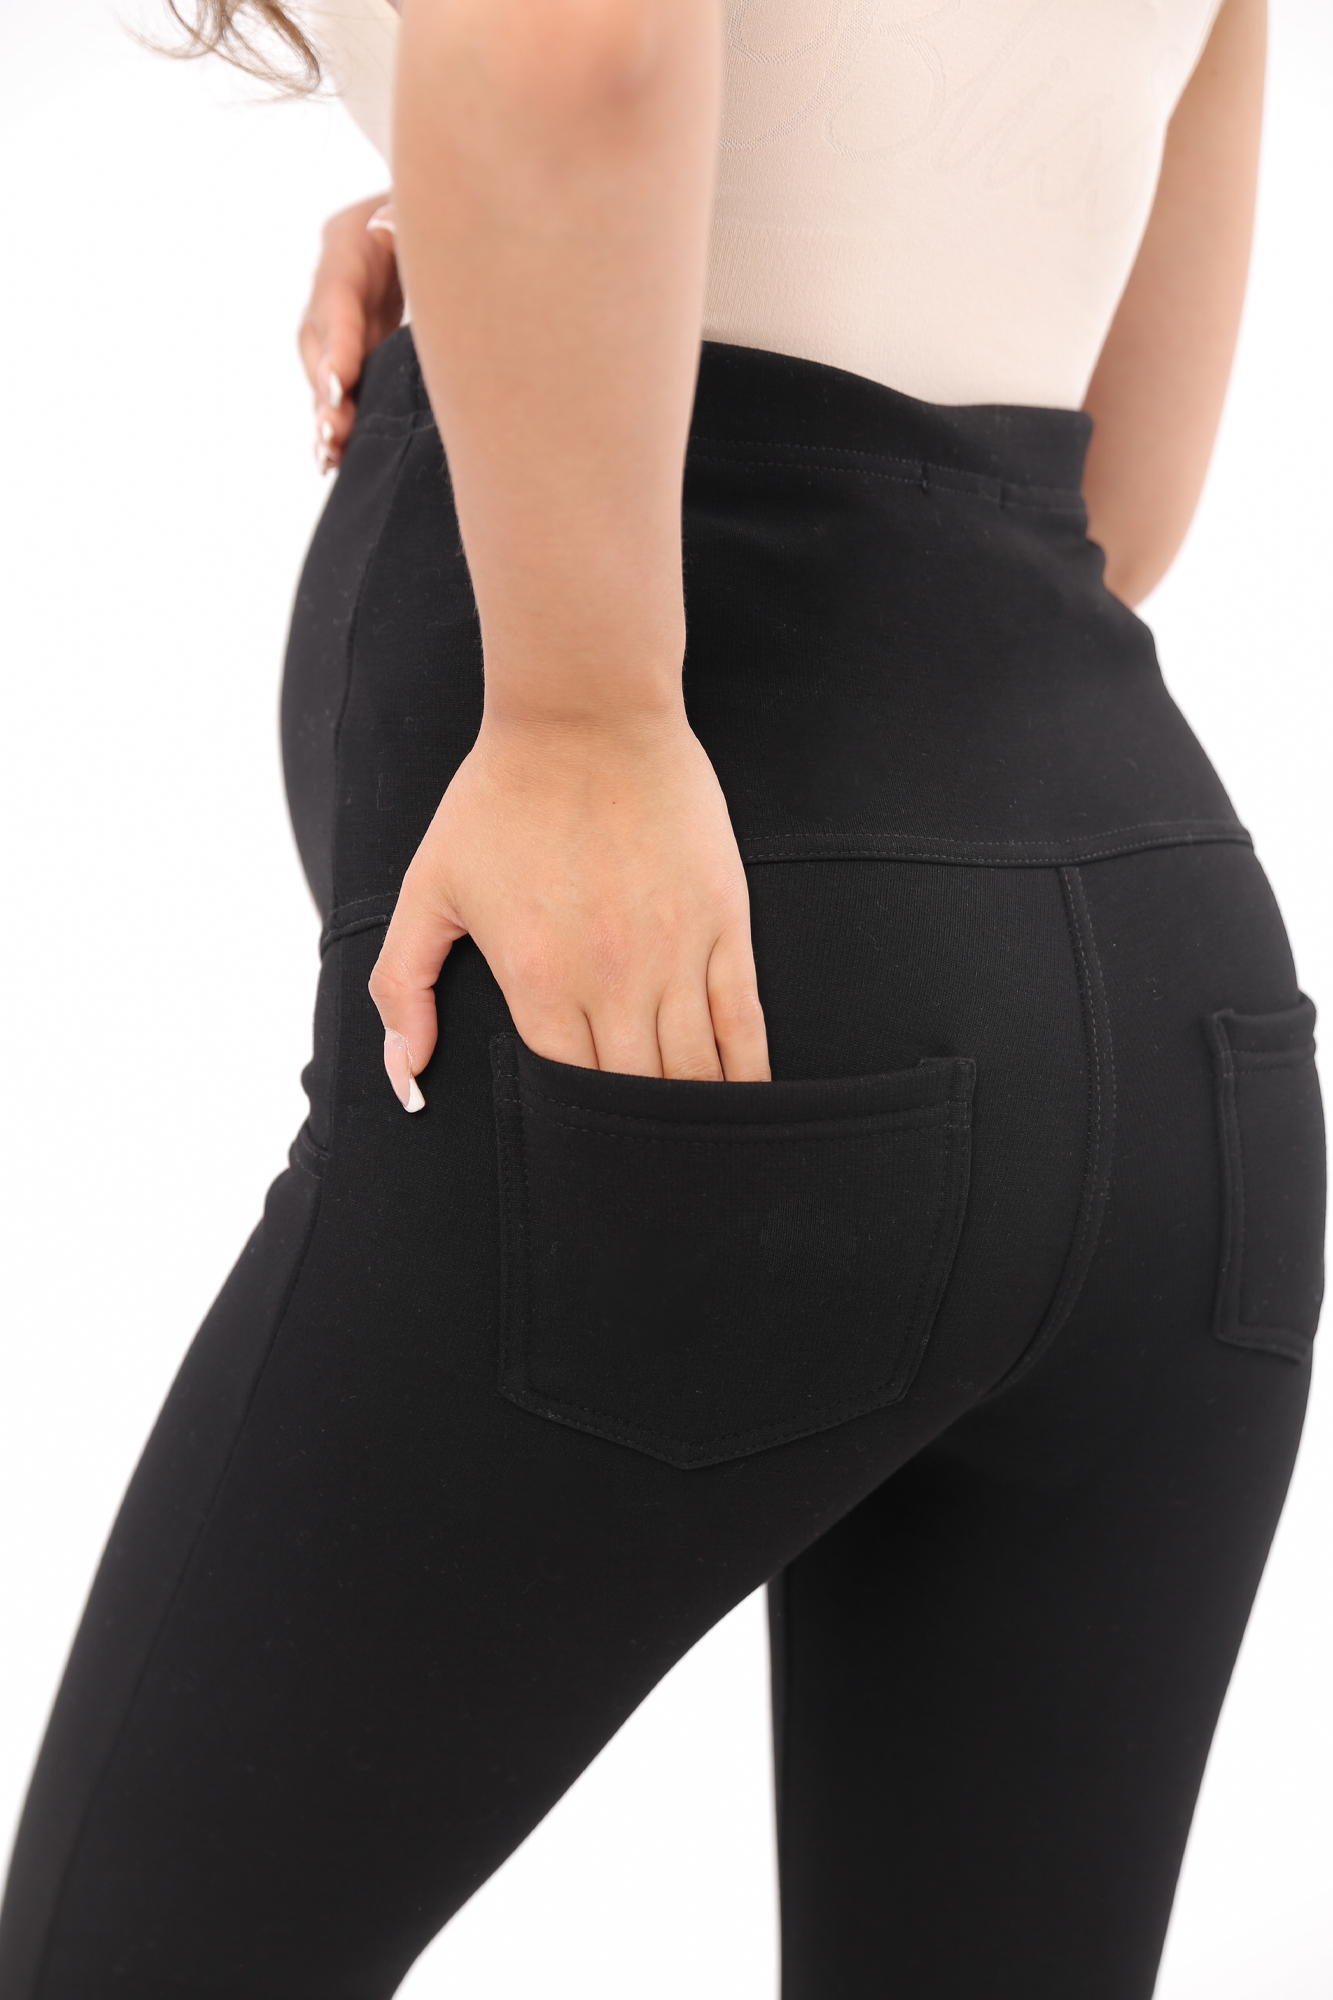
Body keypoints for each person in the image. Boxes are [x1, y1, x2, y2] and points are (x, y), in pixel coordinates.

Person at [0, 1, 1324, 1995]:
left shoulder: (608, 736)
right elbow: (1115, 493)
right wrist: (514, 253)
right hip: (1183, 1029)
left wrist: (585, 711)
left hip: (694, 1053)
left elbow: (575, 42)